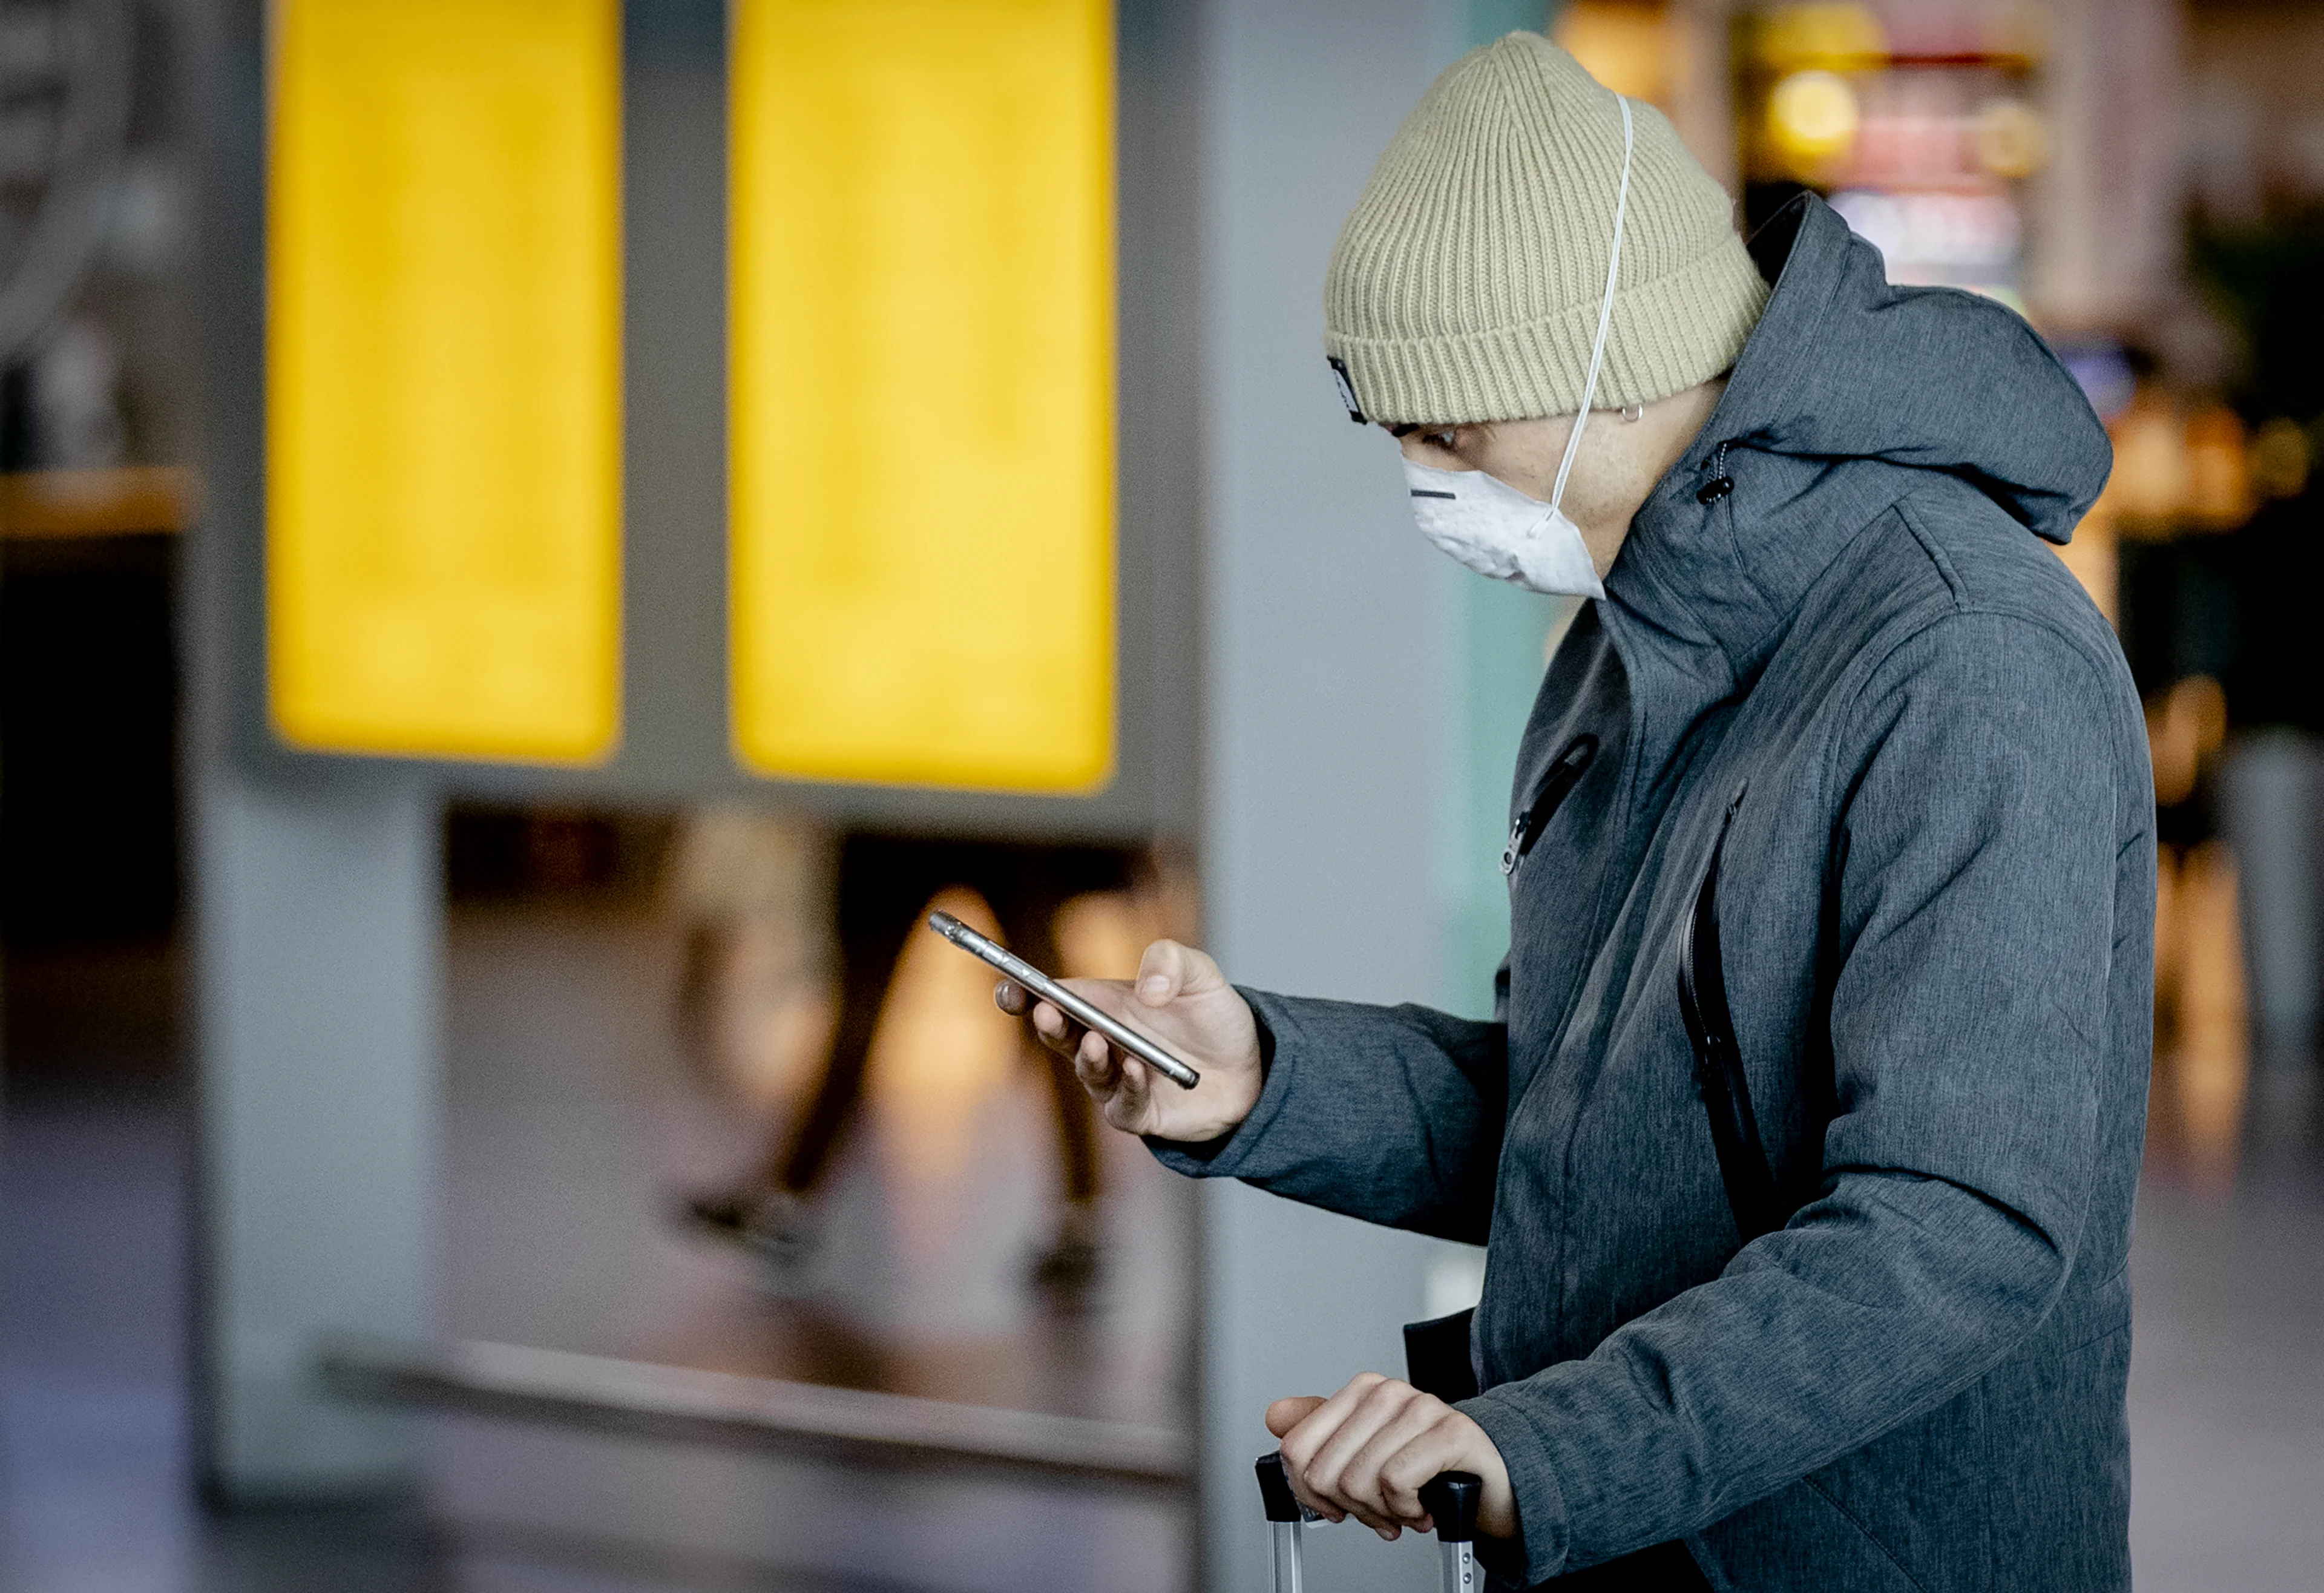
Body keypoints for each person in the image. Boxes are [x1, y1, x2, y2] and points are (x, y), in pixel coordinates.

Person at [1000, 34, 2148, 1592]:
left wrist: (1547, 1449)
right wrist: (1260, 1075)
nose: (1421, 482)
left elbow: (1955, 1225)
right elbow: (1590, 1123)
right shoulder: (1633, 636)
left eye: (1451, 432)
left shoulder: (1969, 658)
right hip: (1632, 1535)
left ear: (1605, 363)